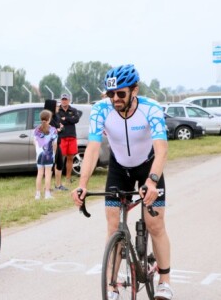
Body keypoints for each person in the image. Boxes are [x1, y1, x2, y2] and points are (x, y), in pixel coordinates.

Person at [71, 64, 173, 299]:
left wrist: (153, 182)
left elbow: (161, 151)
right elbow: (93, 149)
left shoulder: (151, 109)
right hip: (119, 168)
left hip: (148, 166)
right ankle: (112, 285)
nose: (115, 99)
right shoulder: (100, 110)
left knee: (155, 224)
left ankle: (165, 282)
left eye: (120, 93)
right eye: (110, 94)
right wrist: (83, 184)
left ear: (134, 90)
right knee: (113, 226)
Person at [33, 110, 58, 199]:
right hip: (49, 154)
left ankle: (38, 194)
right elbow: (54, 144)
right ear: (49, 119)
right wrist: (54, 154)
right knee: (48, 174)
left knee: (39, 174)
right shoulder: (53, 130)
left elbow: (34, 142)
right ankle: (47, 194)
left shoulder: (36, 130)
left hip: (39, 154)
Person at [56, 93, 80, 186]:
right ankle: (58, 179)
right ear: (61, 100)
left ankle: (68, 178)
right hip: (62, 137)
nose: (64, 101)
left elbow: (76, 119)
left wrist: (66, 118)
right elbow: (59, 121)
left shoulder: (73, 110)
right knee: (60, 158)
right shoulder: (58, 110)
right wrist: (70, 119)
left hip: (72, 136)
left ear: (69, 100)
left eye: (66, 99)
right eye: (63, 99)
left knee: (70, 158)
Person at [45, 99, 66, 190]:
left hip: (57, 143)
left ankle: (58, 185)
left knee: (60, 163)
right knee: (50, 166)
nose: (58, 107)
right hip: (50, 145)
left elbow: (61, 128)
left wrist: (59, 129)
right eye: (56, 106)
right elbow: (50, 131)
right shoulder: (47, 118)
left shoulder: (56, 117)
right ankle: (47, 188)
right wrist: (58, 129)